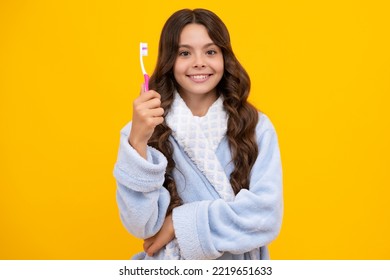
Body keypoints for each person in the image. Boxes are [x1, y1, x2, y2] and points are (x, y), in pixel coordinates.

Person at [113, 8, 283, 260]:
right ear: (169, 60)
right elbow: (141, 225)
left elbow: (265, 217)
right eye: (184, 53)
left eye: (211, 51)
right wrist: (138, 141)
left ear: (225, 57)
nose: (199, 62)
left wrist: (177, 224)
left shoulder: (256, 126)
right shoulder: (143, 130)